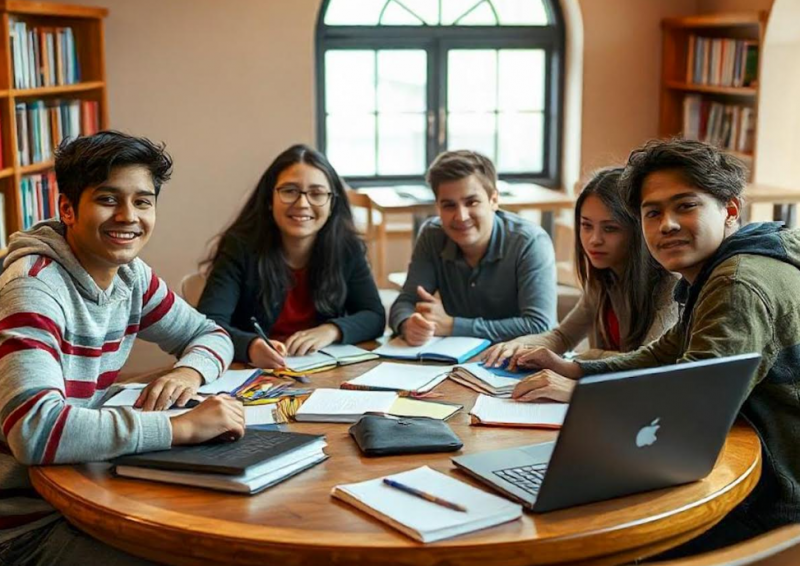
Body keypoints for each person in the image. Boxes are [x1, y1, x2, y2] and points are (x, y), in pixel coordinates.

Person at [510, 139, 800, 554]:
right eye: (652, 212)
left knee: (582, 538)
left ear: (730, 210)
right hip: (750, 465)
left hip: (769, 497)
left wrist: (585, 397)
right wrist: (575, 369)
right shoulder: (724, 267)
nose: (667, 224)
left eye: (686, 206)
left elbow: (692, 407)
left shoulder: (737, 283)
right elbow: (664, 354)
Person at [0, 131, 242, 565]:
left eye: (143, 201)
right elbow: (35, 431)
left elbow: (211, 335)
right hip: (25, 524)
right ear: (68, 209)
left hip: (88, 484)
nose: (128, 216)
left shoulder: (132, 276)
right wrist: (180, 429)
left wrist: (187, 373)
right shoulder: (33, 288)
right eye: (109, 199)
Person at [197, 144, 385, 368]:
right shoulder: (240, 247)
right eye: (289, 191)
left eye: (316, 193)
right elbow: (208, 324)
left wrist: (331, 330)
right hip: (253, 375)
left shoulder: (346, 247)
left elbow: (374, 316)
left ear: (332, 203)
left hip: (322, 373)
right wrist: (250, 346)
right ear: (269, 199)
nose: (303, 204)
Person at [483, 167, 677, 367]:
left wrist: (587, 356)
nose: (594, 240)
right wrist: (519, 345)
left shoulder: (671, 286)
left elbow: (649, 364)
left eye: (610, 228)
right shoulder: (603, 278)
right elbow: (563, 337)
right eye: (586, 226)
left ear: (637, 231)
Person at [388, 150, 557, 345]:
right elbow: (406, 302)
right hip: (454, 358)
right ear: (438, 207)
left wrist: (453, 326)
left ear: (494, 200)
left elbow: (540, 326)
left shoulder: (530, 242)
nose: (461, 216)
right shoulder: (432, 235)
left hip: (520, 361)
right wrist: (408, 323)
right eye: (449, 205)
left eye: (472, 202)